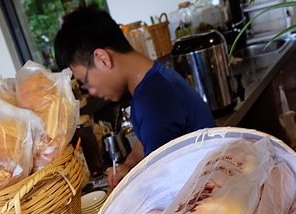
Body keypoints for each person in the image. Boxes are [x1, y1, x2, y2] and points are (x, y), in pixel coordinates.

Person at [54, 7, 215, 188]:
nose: (90, 91)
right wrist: (129, 165)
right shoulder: (151, 83)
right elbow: (145, 141)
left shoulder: (153, 100)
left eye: (85, 81)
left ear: (102, 59)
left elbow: (161, 186)